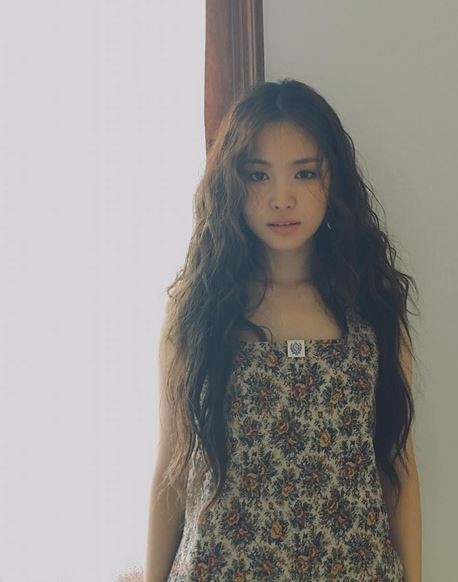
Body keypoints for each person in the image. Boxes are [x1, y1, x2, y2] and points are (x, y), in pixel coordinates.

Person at [144, 78, 422, 582]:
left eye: (304, 173)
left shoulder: (373, 309)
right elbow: (172, 470)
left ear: (333, 180)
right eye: (258, 175)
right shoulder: (197, 312)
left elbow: (398, 466)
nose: (282, 198)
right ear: (232, 184)